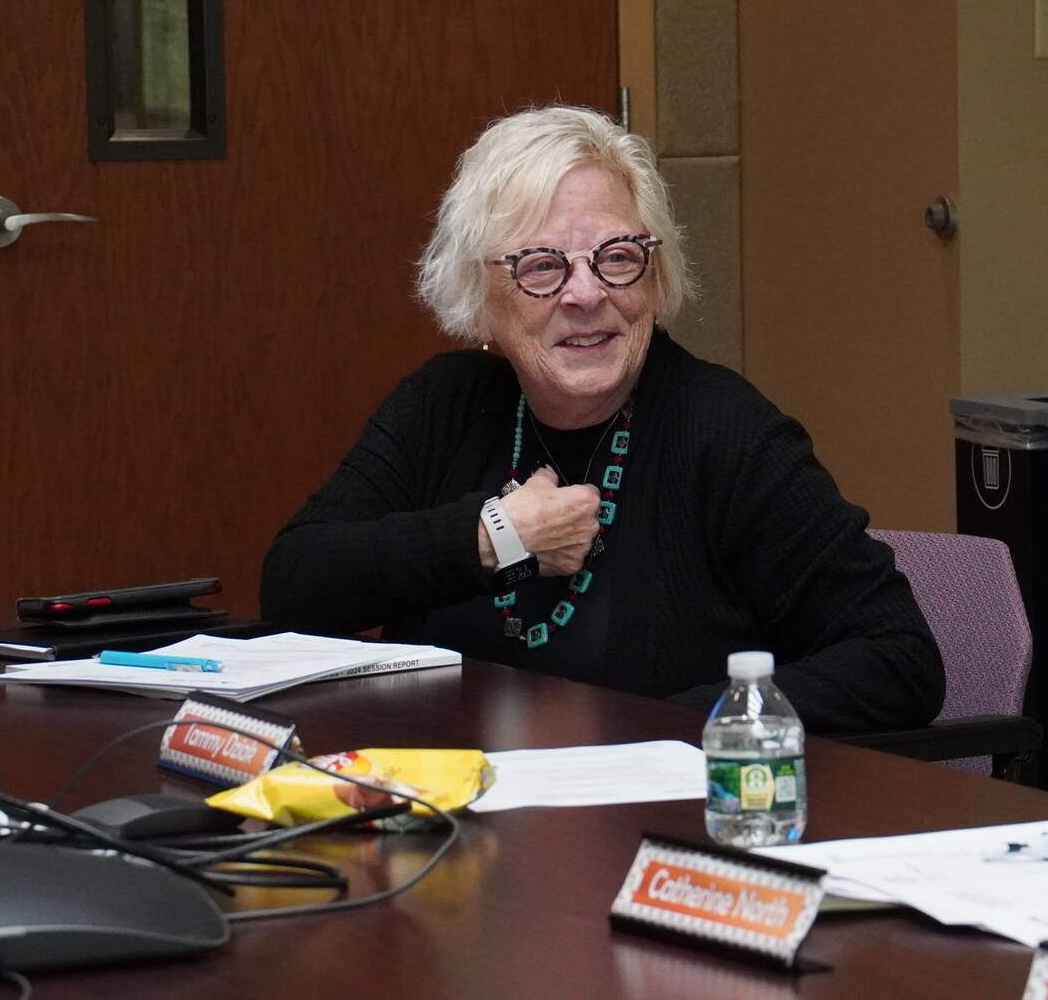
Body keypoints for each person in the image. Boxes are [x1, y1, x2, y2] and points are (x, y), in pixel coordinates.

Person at [262, 105, 944, 734]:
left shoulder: (725, 432)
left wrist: (667, 728)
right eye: (542, 266)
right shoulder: (445, 405)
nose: (586, 294)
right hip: (454, 822)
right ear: (478, 292)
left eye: (618, 258)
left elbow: (898, 656)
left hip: (651, 829)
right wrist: (493, 537)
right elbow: (295, 587)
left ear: (655, 275)